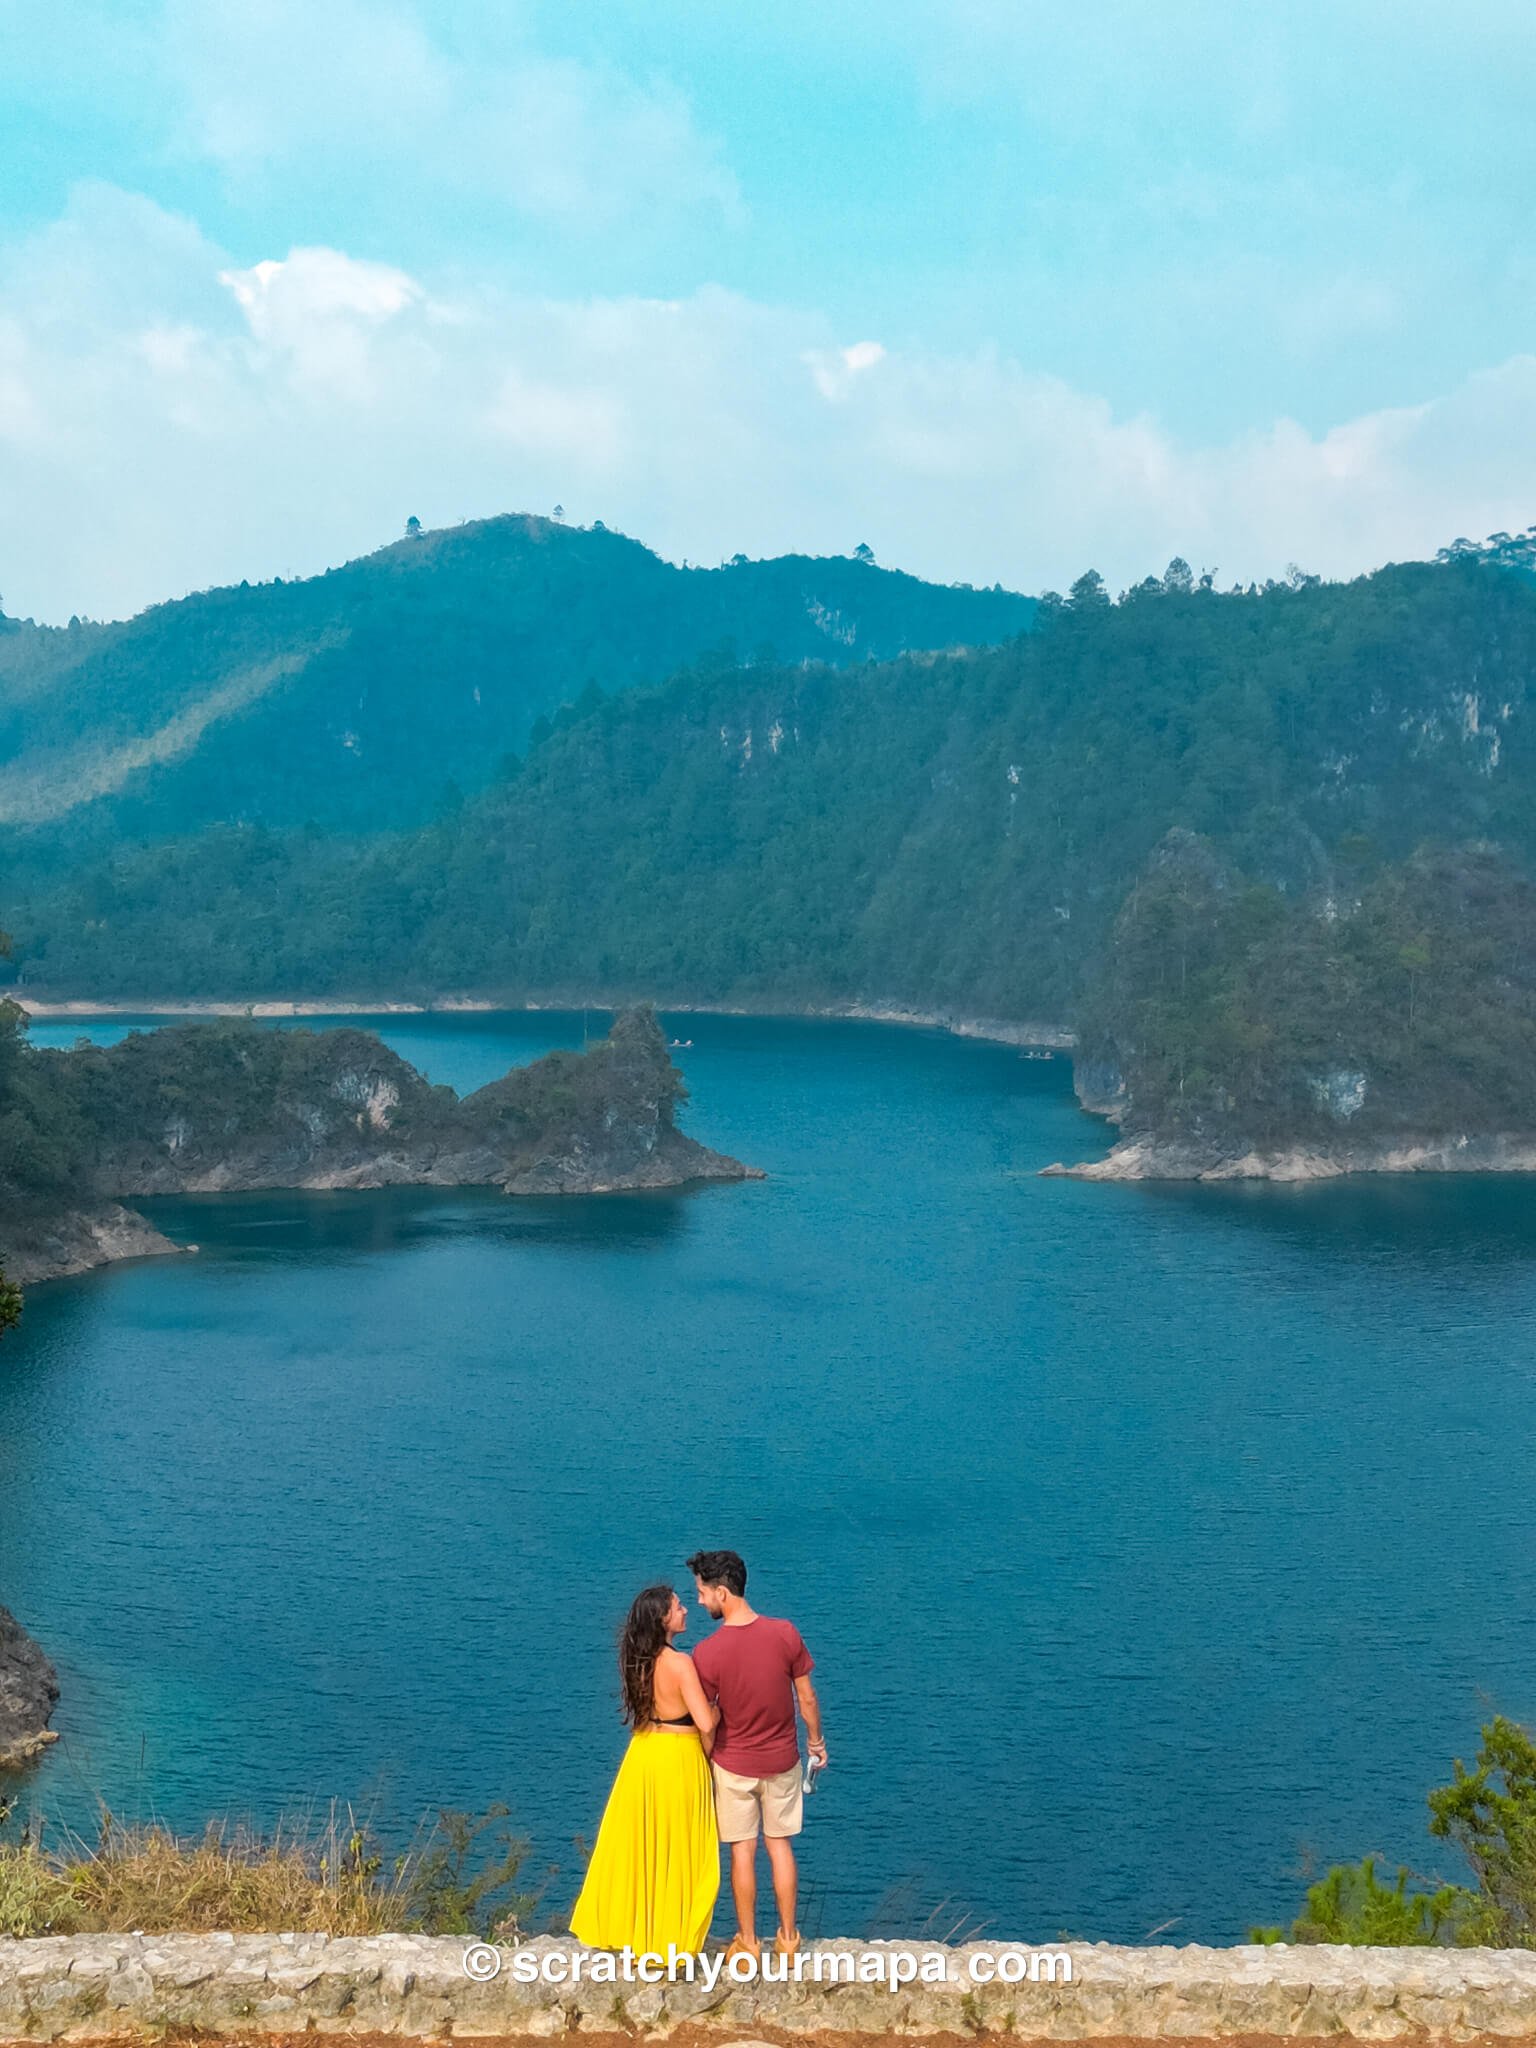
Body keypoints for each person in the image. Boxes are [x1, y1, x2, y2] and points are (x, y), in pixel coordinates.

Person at [687, 1548, 826, 1962]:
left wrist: (706, 1761)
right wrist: (815, 1742)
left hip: (733, 1764)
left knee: (741, 1851)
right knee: (779, 1846)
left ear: (723, 1593)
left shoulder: (707, 1654)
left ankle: (748, 1942)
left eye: (702, 1592)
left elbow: (708, 1721)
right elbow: (807, 1698)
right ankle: (787, 1938)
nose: (698, 1600)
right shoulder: (785, 1633)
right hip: (782, 1760)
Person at [569, 1584, 721, 1953]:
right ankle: (671, 1940)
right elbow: (705, 1722)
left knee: (640, 1847)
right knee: (680, 1852)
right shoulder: (681, 1664)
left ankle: (631, 1932)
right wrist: (720, 1706)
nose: (686, 1610)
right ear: (663, 1619)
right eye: (678, 1606)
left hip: (643, 1754)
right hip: (679, 1758)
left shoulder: (638, 1660)